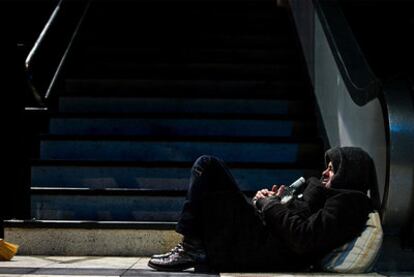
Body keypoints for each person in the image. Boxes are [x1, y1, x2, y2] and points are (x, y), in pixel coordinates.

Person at [148, 147, 378, 272]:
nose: (325, 173)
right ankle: (193, 246)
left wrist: (270, 205)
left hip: (264, 250)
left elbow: (304, 237)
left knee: (208, 166)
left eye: (332, 169)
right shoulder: (330, 195)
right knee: (208, 173)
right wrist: (277, 200)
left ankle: (191, 247)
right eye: (326, 168)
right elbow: (301, 217)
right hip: (263, 238)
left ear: (350, 172)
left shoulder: (349, 202)